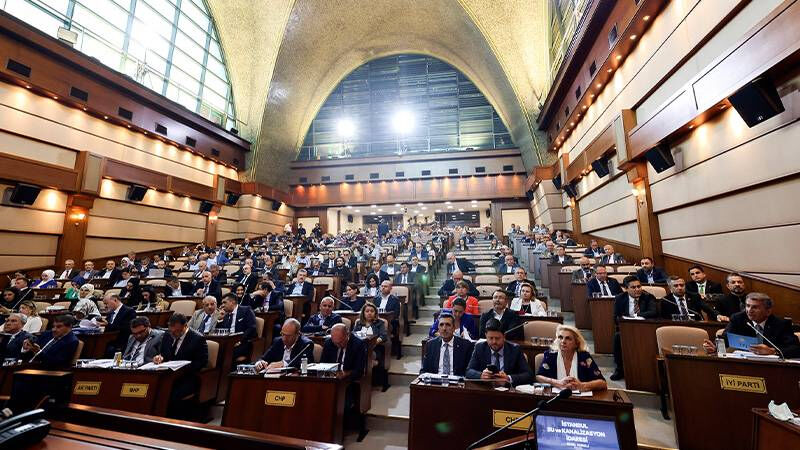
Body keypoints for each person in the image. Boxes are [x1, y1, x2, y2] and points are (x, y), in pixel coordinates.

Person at [703, 293, 800, 358]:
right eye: (748, 306)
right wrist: (715, 347)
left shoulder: (781, 324)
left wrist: (773, 351)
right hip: (746, 364)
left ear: (768, 311)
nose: (749, 310)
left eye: (755, 307)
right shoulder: (738, 319)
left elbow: (795, 348)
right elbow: (725, 338)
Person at [153, 314, 209, 419]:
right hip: (168, 375)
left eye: (177, 331)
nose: (173, 333)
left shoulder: (197, 339)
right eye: (171, 330)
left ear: (185, 326)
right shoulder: (168, 335)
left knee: (171, 394)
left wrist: (182, 368)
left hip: (187, 377)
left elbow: (202, 362)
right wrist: (159, 357)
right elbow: (164, 354)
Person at [611, 276, 658, 380]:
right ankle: (619, 369)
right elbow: (616, 317)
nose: (637, 289)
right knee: (617, 337)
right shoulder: (620, 298)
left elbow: (653, 312)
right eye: (633, 287)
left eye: (639, 286)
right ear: (626, 289)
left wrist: (635, 316)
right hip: (627, 328)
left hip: (646, 328)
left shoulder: (648, 296)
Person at [536, 325, 607, 391]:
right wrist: (557, 383)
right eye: (560, 337)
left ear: (576, 343)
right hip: (556, 399)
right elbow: (539, 377)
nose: (563, 341)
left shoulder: (584, 357)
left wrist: (582, 385)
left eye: (568, 338)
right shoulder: (550, 355)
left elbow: (602, 383)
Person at [466, 318, 532, 386]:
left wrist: (508, 378)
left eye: (497, 338)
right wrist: (481, 375)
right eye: (491, 338)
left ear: (504, 336)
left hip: (508, 391)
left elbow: (528, 375)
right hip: (486, 389)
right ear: (486, 336)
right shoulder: (480, 348)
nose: (494, 342)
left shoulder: (515, 350)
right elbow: (469, 371)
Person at [353, 302, 390, 390]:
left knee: (365, 356)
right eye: (367, 311)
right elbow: (353, 334)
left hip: (375, 348)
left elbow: (383, 336)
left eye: (372, 311)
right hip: (360, 348)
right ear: (363, 313)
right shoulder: (359, 323)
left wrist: (375, 341)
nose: (369, 313)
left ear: (375, 313)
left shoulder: (380, 323)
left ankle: (365, 383)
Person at [216, 293, 257, 361]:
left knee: (224, 354)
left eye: (224, 302)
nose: (222, 305)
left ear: (233, 302)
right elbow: (222, 331)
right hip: (229, 342)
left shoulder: (246, 310)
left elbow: (252, 328)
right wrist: (218, 319)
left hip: (243, 342)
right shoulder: (225, 315)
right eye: (222, 303)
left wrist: (239, 340)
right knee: (215, 351)